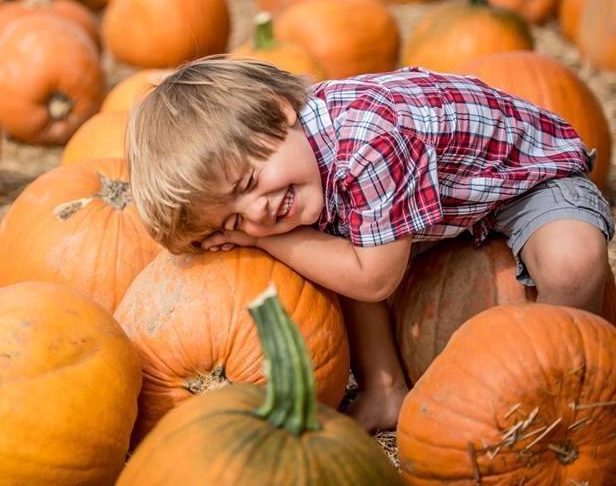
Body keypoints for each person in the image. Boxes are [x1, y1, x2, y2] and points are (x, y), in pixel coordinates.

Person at [126, 57, 614, 431]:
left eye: (249, 182)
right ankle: (384, 390)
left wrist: (273, 243)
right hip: (442, 208)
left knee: (573, 262)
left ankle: (572, 380)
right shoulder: (298, 164)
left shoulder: (369, 142)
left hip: (523, 179)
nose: (256, 213)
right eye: (233, 220)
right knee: (337, 255)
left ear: (279, 114)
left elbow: (375, 278)